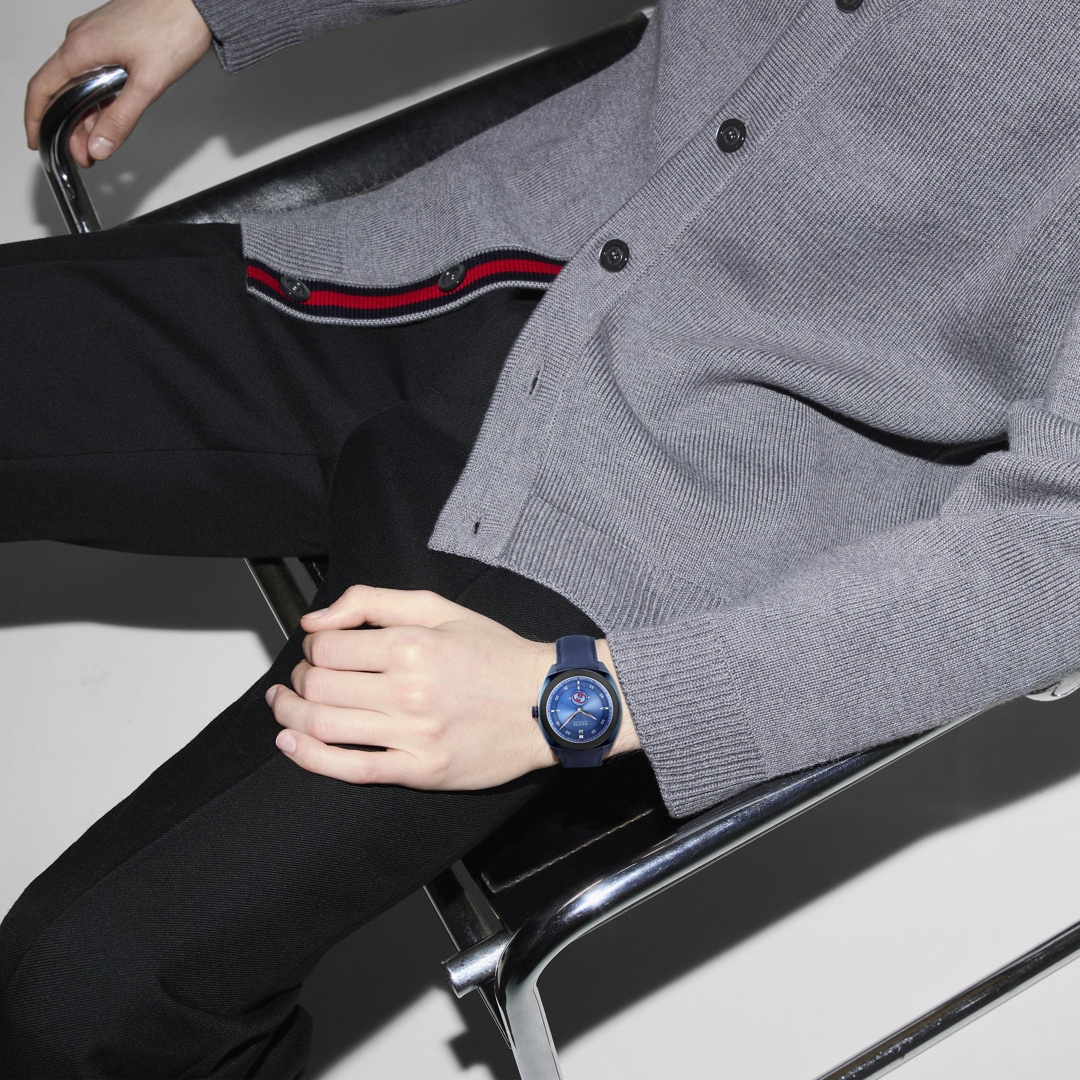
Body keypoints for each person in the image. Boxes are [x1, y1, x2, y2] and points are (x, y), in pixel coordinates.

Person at [3, 0, 1080, 1074]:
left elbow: (1060, 554)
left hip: (673, 499)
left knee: (84, 992)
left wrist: (582, 698)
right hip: (467, 252)